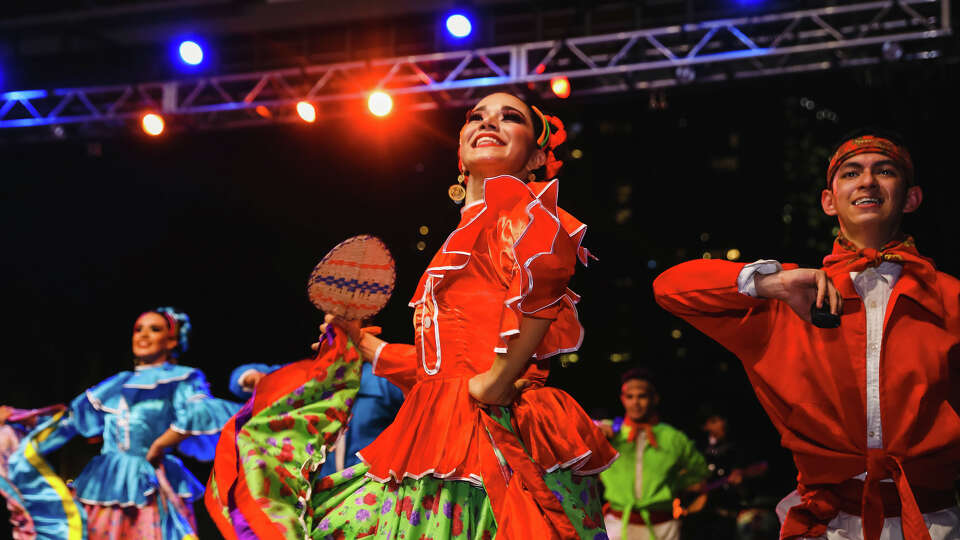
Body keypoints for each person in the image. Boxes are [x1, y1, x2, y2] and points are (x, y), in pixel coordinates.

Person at [208, 92, 618, 540]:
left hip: (492, 431)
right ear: (460, 149)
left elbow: (546, 278)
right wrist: (363, 345)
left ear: (539, 155)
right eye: (476, 116)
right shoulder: (468, 229)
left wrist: (500, 377)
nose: (489, 122)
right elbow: (440, 368)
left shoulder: (521, 215)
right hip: (444, 426)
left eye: (510, 118)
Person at [653, 129, 960, 540]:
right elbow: (670, 289)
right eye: (852, 173)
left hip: (934, 521)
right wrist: (770, 283)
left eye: (884, 171)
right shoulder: (792, 296)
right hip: (826, 524)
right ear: (829, 201)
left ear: (911, 198)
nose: (867, 181)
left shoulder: (949, 297)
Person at [9, 308, 240, 540]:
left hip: (150, 482)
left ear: (171, 341)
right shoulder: (117, 384)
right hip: (106, 479)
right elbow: (73, 420)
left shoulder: (181, 378)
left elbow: (199, 411)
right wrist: (19, 419)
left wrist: (160, 445)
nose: (143, 335)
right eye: (138, 329)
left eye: (155, 329)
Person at [227, 353, 404, 476]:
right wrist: (256, 378)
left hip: (372, 490)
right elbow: (239, 381)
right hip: (324, 494)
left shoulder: (382, 381)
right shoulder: (313, 379)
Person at [596, 368, 709, 540]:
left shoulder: (673, 438)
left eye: (642, 396)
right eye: (630, 397)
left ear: (654, 398)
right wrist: (595, 435)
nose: (636, 403)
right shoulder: (608, 432)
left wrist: (672, 484)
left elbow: (700, 472)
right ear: (622, 399)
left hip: (663, 527)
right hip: (617, 525)